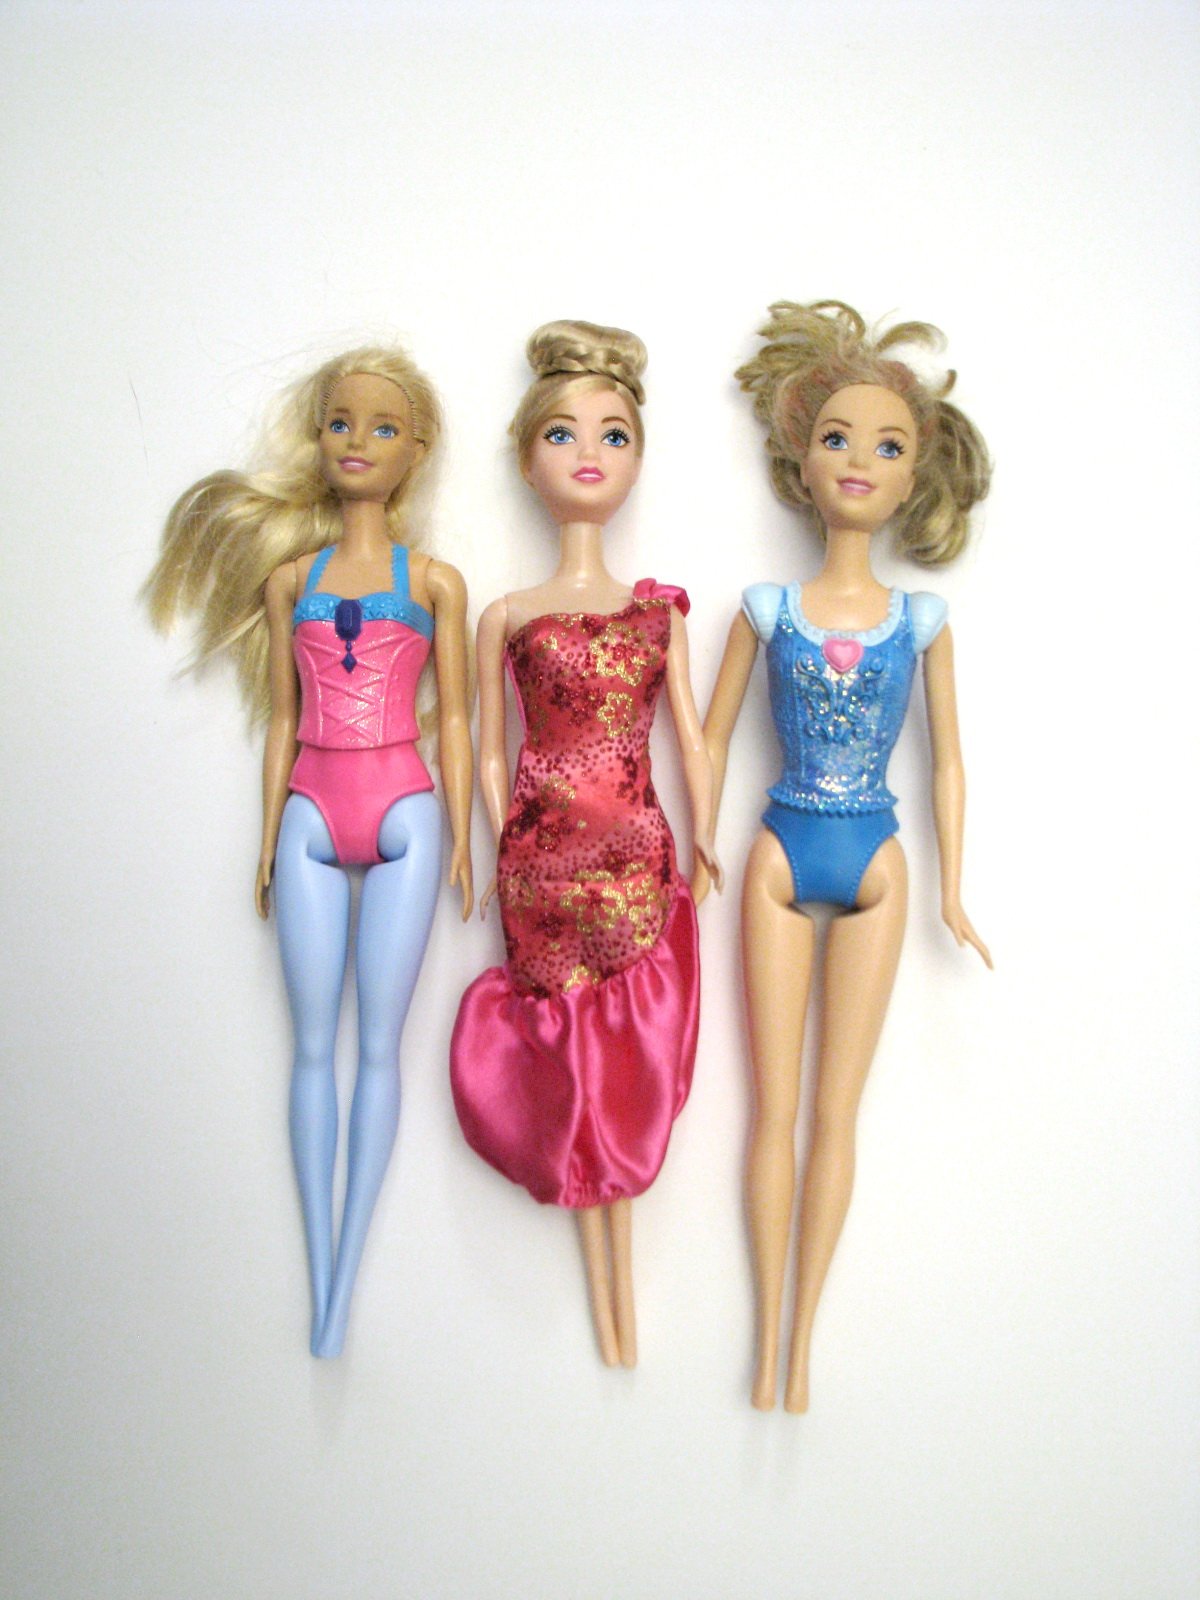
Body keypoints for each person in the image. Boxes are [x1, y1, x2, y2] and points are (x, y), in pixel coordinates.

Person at [146, 346, 472, 1357]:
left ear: (416, 450)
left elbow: (459, 719)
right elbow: (283, 721)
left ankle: (343, 1273)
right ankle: (320, 1269)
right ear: (319, 438)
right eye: (340, 422)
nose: (358, 441)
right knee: (314, 1045)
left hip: (405, 805)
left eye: (383, 426)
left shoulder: (437, 582)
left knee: (376, 1046)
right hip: (312, 805)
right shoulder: (293, 579)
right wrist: (265, 838)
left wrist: (468, 833)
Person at [702, 301, 991, 1411]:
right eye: (837, 438)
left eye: (888, 445)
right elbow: (711, 737)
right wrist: (690, 836)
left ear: (915, 476)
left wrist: (954, 889)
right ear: (801, 458)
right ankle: (762, 1338)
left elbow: (948, 762)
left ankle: (802, 1343)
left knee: (835, 1115)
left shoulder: (921, 621)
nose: (860, 460)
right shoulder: (766, 607)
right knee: (770, 1112)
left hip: (876, 855)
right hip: (778, 849)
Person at [451, 320, 719, 1367]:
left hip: (637, 858)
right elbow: (484, 743)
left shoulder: (658, 614)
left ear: (638, 457)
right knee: (565, 1049)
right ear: (528, 460)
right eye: (561, 434)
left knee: (626, 1043)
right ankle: (607, 1303)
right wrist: (490, 843)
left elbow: (689, 735)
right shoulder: (508, 613)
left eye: (613, 434)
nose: (589, 453)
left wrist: (704, 834)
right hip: (539, 865)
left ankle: (623, 1305)